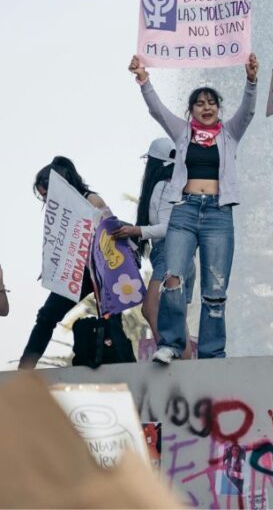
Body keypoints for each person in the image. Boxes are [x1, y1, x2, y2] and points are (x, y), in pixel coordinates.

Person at [128, 53, 259, 363]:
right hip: (185, 211)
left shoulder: (229, 134)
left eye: (211, 102)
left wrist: (251, 79)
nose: (206, 107)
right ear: (191, 110)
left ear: (218, 108)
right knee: (173, 277)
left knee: (215, 289)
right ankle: (172, 344)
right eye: (199, 103)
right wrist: (143, 79)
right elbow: (157, 110)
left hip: (218, 213)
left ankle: (213, 354)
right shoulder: (183, 132)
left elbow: (249, 111)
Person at [19, 157, 114, 368]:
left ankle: (115, 359)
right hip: (75, 272)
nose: (45, 200)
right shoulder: (60, 210)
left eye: (47, 194)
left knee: (109, 320)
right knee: (46, 316)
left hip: (99, 271)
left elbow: (111, 235)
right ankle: (25, 368)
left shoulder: (91, 200)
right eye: (43, 196)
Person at [111, 138, 194, 359]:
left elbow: (168, 227)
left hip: (170, 252)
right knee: (174, 318)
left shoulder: (163, 186)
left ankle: (178, 362)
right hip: (178, 255)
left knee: (150, 307)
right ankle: (188, 367)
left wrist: (136, 231)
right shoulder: (174, 186)